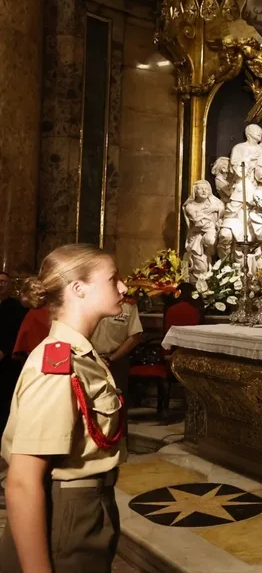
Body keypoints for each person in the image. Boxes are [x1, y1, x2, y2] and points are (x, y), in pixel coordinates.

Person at [0, 243, 127, 572]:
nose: (124, 287)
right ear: (78, 289)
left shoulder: (81, 355)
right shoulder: (56, 366)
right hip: (68, 512)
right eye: (113, 279)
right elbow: (23, 482)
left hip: (87, 505)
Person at [90, 296, 143, 412]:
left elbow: (134, 336)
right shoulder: (86, 302)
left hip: (116, 360)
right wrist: (93, 357)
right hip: (88, 359)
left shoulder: (128, 306)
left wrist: (111, 358)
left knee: (118, 404)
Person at [0, 272, 27, 356]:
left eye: (3, 281)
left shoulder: (18, 306)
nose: (0, 285)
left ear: (10, 285)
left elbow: (19, 332)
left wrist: (4, 351)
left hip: (9, 356)